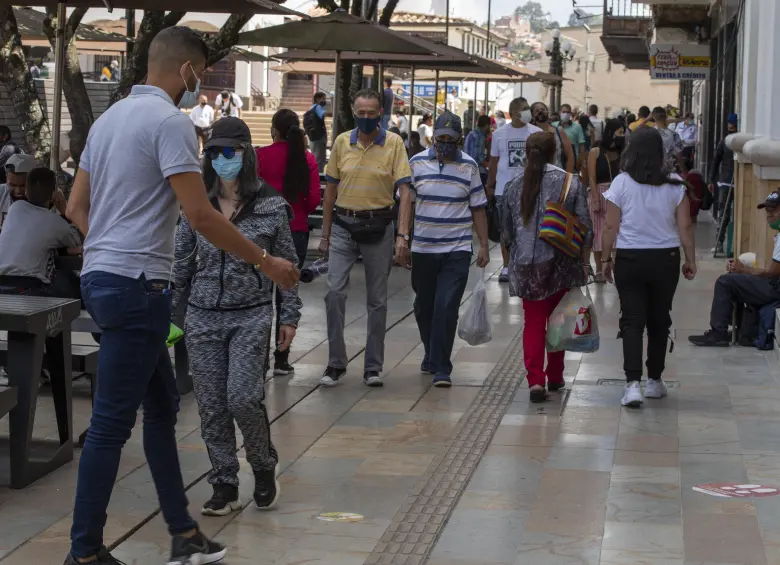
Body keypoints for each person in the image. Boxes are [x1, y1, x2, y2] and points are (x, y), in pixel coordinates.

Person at [63, 26, 299, 565]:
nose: (200, 85)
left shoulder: (108, 120)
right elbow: (199, 214)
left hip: (104, 278)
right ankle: (83, 552)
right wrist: (266, 262)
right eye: (200, 74)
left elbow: (77, 208)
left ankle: (183, 534)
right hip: (138, 286)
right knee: (109, 427)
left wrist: (108, 244)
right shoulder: (170, 123)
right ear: (187, 71)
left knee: (163, 406)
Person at [173, 117, 301, 517]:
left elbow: (289, 269)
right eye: (214, 152)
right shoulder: (198, 207)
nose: (222, 160)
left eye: (230, 152)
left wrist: (289, 316)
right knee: (211, 404)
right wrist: (168, 312)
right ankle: (224, 481)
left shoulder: (271, 207)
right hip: (203, 317)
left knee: (243, 397)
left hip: (251, 315)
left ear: (247, 155)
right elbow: (181, 265)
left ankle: (263, 465)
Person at [319, 89, 412, 388]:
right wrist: (325, 234)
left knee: (377, 300)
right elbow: (330, 191)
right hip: (345, 227)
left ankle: (373, 366)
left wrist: (402, 236)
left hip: (379, 228)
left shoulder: (395, 143)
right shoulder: (342, 142)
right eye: (362, 112)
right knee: (333, 293)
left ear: (381, 113)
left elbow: (406, 193)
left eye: (372, 113)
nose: (367, 118)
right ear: (353, 110)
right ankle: (336, 362)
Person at [601, 127, 696, 407]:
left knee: (631, 321)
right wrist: (690, 259)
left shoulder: (621, 182)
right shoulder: (675, 183)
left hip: (630, 259)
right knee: (659, 319)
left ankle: (632, 385)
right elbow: (685, 226)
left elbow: (610, 226)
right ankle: (654, 381)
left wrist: (606, 259)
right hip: (665, 259)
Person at [501, 132, 592, 403]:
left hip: (526, 265)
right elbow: (585, 228)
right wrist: (586, 262)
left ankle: (535, 381)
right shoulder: (569, 182)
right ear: (555, 153)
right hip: (560, 262)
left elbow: (505, 232)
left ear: (527, 152)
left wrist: (511, 261)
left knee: (534, 320)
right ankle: (555, 376)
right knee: (558, 319)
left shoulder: (513, 185)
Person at [409, 111, 490, 387]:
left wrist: (483, 246)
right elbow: (406, 204)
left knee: (446, 306)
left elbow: (478, 208)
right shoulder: (416, 164)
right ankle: (430, 351)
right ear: (433, 138)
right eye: (441, 138)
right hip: (422, 248)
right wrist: (401, 239)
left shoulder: (469, 167)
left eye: (451, 140)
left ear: (460, 140)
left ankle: (442, 366)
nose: (445, 144)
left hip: (456, 249)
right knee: (423, 306)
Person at [257, 109, 321, 374]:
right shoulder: (307, 159)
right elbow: (314, 199)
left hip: (261, 232)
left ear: (275, 130)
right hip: (296, 231)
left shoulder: (260, 156)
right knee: (287, 294)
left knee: (260, 297)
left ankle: (257, 359)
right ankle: (282, 359)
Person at [689, 190, 780, 348]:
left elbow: (773, 272)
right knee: (735, 281)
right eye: (767, 211)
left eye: (774, 211)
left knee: (725, 282)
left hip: (775, 288)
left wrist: (743, 270)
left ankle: (719, 333)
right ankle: (736, 330)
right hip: (774, 285)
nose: (769, 215)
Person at [0, 167, 81, 296]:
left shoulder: (15, 209)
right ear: (54, 193)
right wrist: (64, 211)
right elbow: (76, 242)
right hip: (31, 287)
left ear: (26, 191)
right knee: (74, 287)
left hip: (2, 283)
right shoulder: (55, 222)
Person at [486, 96, 542, 283]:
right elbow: (493, 162)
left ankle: (527, 265)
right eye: (526, 108)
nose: (529, 111)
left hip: (529, 189)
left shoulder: (536, 133)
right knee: (505, 230)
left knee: (529, 228)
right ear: (517, 113)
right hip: (504, 189)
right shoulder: (499, 134)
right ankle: (507, 266)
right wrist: (490, 185)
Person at [586, 119, 624, 282]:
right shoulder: (595, 152)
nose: (622, 136)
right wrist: (595, 198)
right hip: (599, 193)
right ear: (611, 132)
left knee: (616, 231)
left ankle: (614, 265)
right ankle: (599, 269)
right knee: (598, 232)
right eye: (619, 132)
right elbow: (592, 178)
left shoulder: (624, 152)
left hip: (618, 195)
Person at [531, 101, 574, 173]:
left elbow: (570, 156)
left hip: (558, 175)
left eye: (543, 109)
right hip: (537, 176)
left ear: (547, 112)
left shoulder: (559, 131)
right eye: (537, 111)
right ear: (532, 115)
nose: (540, 112)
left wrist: (567, 179)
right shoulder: (531, 133)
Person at [710, 114, 738, 222]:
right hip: (731, 181)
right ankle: (720, 233)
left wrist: (711, 179)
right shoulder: (726, 142)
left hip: (726, 181)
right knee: (725, 211)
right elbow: (716, 161)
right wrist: (711, 179)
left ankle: (720, 234)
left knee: (723, 211)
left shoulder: (724, 141)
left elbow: (715, 161)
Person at [1, 154, 38, 231]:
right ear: (6, 179)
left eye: (23, 186)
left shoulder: (45, 199)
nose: (18, 191)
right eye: (12, 185)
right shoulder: (1, 193)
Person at [652, 106, 687, 175]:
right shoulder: (674, 135)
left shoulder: (648, 133)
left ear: (653, 117)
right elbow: (679, 158)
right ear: (666, 117)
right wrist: (685, 173)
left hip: (652, 173)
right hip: (668, 173)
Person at [303, 92, 328, 173]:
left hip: (313, 137)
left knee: (315, 157)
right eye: (323, 98)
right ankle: (318, 177)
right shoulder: (318, 107)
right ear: (317, 99)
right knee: (320, 159)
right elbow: (324, 114)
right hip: (319, 138)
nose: (325, 101)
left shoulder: (312, 108)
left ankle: (314, 176)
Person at [556, 103, 586, 168]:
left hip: (573, 160)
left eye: (568, 112)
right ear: (559, 113)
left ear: (570, 114)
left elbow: (582, 145)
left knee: (570, 177)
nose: (566, 114)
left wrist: (583, 160)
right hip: (558, 161)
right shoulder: (554, 125)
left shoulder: (577, 127)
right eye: (563, 112)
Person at [464, 115, 491, 182]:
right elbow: (478, 158)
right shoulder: (479, 136)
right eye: (489, 126)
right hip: (475, 171)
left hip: (467, 169)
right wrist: (491, 166)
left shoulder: (472, 133)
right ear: (487, 125)